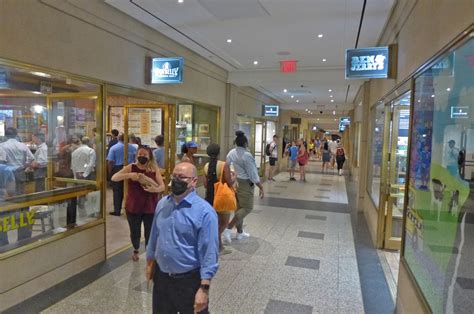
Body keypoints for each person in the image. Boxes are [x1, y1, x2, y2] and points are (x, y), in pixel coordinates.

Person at [145, 162, 218, 314]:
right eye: (174, 176)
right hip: (162, 279)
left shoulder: (205, 212)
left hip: (189, 281)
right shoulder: (162, 204)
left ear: (194, 181)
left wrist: (204, 288)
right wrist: (150, 262)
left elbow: (209, 252)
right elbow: (154, 236)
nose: (177, 180)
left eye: (182, 177)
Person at [112, 146, 164, 261]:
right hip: (134, 206)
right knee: (135, 232)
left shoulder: (154, 169)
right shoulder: (131, 167)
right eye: (140, 154)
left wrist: (154, 190)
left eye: (145, 155)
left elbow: (162, 186)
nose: (142, 157)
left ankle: (149, 254)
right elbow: (114, 177)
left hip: (150, 206)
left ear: (149, 156)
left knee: (149, 232)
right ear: (136, 155)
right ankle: (136, 249)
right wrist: (129, 175)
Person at [223, 131, 264, 243]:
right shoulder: (247, 155)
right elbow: (253, 174)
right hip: (245, 184)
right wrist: (260, 186)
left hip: (236, 182)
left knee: (239, 208)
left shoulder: (231, 153)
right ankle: (228, 228)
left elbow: (227, 166)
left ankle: (240, 232)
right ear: (245, 143)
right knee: (247, 208)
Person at [0, 127, 35, 240]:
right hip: (20, 174)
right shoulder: (23, 145)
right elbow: (31, 158)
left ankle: (8, 227)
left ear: (5, 135)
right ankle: (23, 236)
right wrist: (23, 167)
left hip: (7, 174)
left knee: (8, 202)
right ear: (16, 135)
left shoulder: (2, 146)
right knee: (22, 202)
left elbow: (2, 162)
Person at [204, 143, 236, 255]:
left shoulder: (206, 165)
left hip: (210, 198)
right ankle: (216, 242)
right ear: (218, 152)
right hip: (222, 198)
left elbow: (205, 184)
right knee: (224, 223)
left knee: (216, 222)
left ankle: (219, 246)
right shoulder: (224, 165)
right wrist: (234, 176)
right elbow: (229, 182)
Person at [107, 134, 137, 216]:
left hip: (117, 168)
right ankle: (129, 209)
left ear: (119, 139)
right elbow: (135, 160)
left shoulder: (114, 148)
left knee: (117, 190)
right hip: (130, 169)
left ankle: (117, 210)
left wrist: (110, 173)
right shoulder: (133, 148)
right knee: (129, 189)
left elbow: (110, 161)